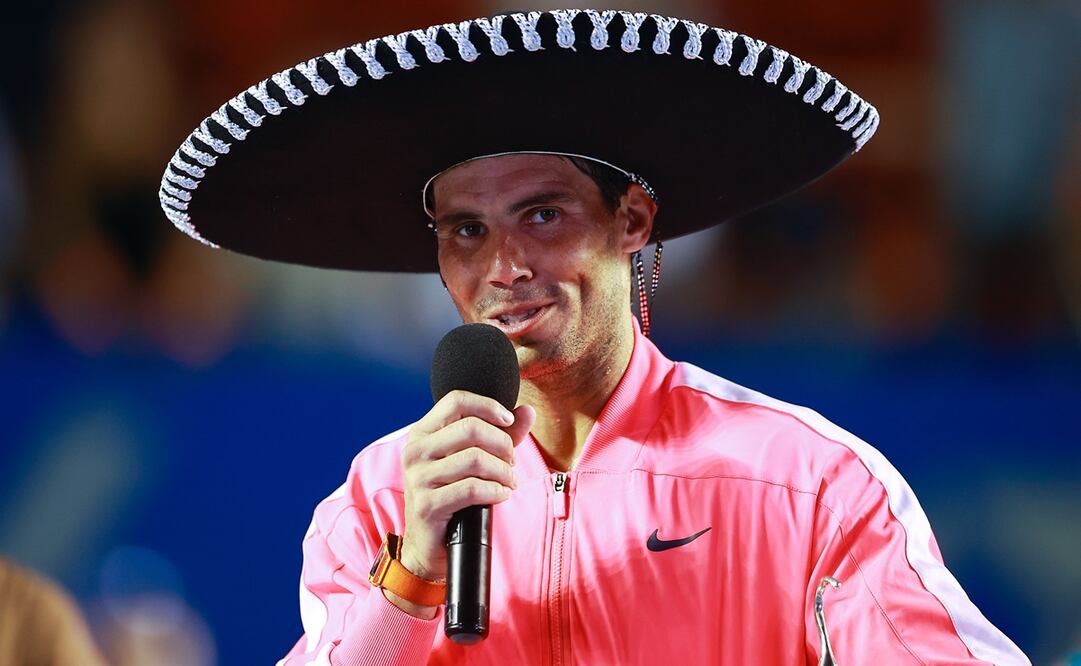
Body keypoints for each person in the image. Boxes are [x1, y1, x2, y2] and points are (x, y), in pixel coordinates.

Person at [157, 10, 1029, 664]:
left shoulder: (808, 486)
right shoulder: (379, 504)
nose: (503, 265)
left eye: (542, 213)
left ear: (633, 222)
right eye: (465, 230)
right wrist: (413, 571)